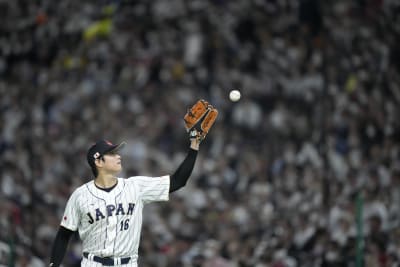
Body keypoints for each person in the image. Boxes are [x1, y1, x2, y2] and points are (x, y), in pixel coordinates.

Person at [49, 135, 201, 267]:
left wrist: (194, 145)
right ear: (99, 162)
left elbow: (178, 181)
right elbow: (64, 234)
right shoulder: (80, 195)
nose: (118, 156)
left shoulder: (135, 186)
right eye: (112, 154)